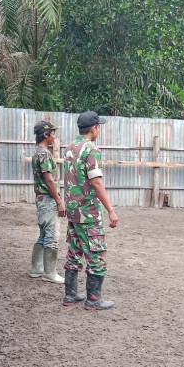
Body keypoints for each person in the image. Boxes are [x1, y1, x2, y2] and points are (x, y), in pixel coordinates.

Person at [62, 111, 119, 310]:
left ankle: (70, 295)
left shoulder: (69, 148)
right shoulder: (91, 149)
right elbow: (95, 181)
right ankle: (94, 299)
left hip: (73, 210)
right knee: (96, 254)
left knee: (74, 251)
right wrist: (111, 210)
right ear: (94, 128)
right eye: (99, 127)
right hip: (88, 212)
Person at [28, 120, 70, 286]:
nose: (55, 135)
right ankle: (49, 272)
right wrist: (59, 201)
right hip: (48, 199)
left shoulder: (37, 153)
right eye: (53, 132)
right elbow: (49, 180)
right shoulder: (45, 154)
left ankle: (36, 268)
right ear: (45, 135)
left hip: (41, 199)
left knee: (43, 235)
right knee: (51, 237)